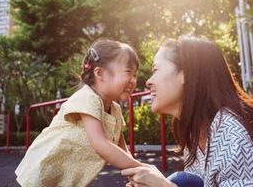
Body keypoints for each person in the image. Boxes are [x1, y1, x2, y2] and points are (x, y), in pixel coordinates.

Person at [121, 36, 253, 187]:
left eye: (155, 70)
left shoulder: (231, 132)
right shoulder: (196, 131)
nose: (148, 81)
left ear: (185, 74)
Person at [15, 38, 143, 187]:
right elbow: (101, 145)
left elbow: (121, 149)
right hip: (44, 172)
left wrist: (138, 177)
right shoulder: (87, 98)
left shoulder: (115, 110)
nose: (133, 80)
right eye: (128, 72)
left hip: (67, 179)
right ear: (99, 73)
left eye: (135, 74)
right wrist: (142, 169)